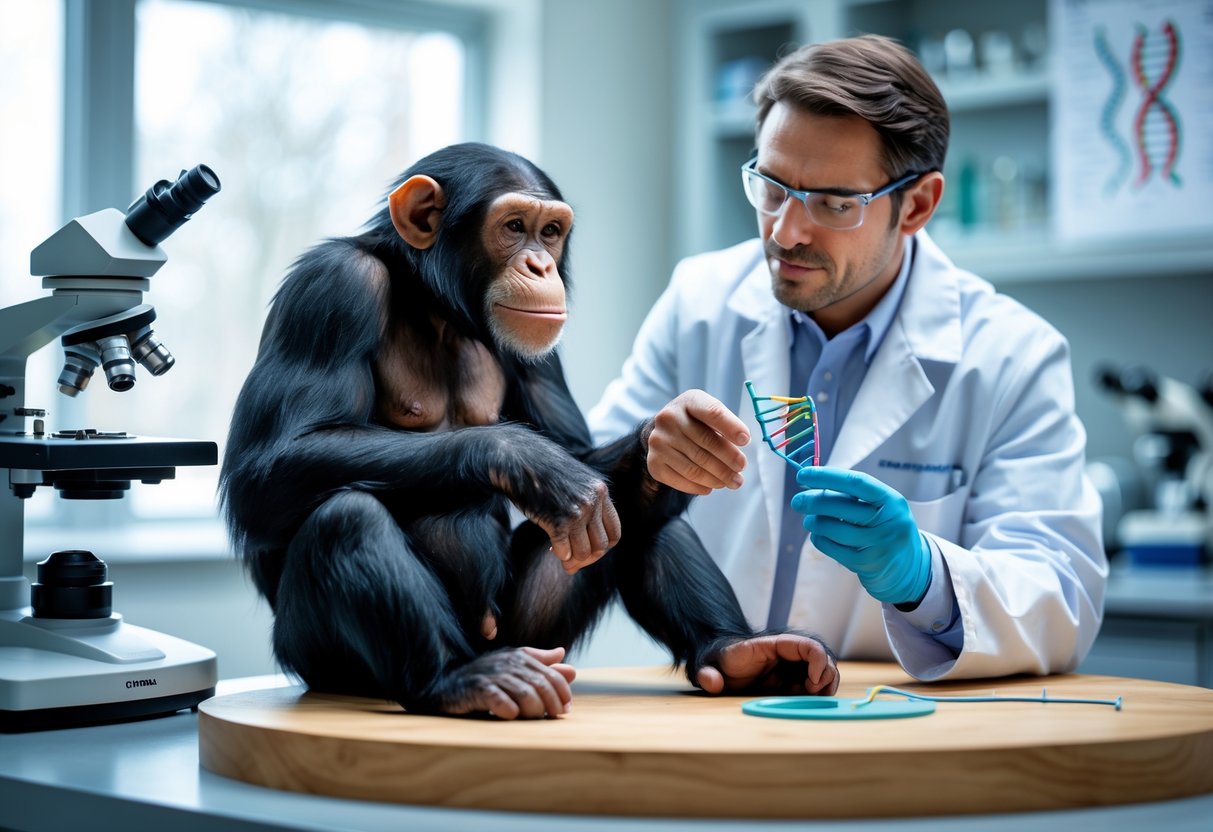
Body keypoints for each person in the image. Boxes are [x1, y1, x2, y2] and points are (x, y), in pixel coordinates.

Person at [587, 34, 1106, 681]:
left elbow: (1060, 597)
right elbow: (572, 502)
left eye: (833, 203)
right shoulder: (699, 303)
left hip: (894, 730)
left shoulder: (1010, 356)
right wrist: (639, 461)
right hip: (711, 709)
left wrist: (923, 575)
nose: (784, 231)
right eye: (771, 187)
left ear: (915, 205)